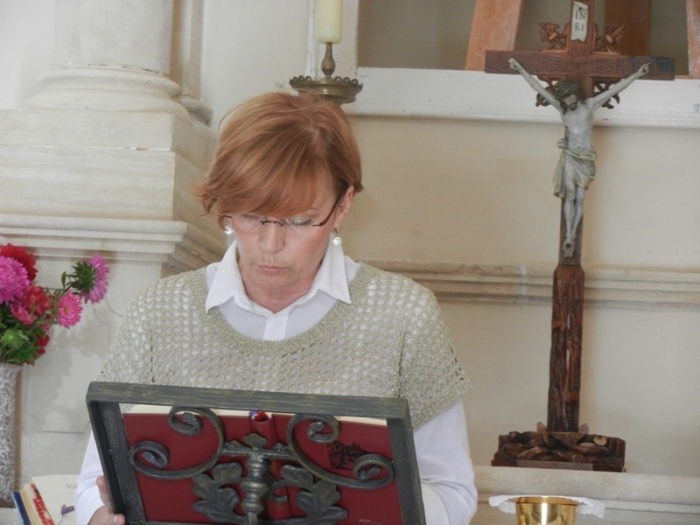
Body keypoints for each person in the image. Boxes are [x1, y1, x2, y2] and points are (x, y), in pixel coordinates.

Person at [75, 92, 477, 525]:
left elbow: (450, 490)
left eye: (299, 221)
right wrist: (101, 517)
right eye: (250, 216)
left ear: (343, 205)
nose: (270, 244)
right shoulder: (159, 312)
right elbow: (94, 484)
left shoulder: (403, 316)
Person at [508, 58, 650, 257]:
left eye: (569, 97)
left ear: (575, 93)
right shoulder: (561, 109)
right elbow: (537, 87)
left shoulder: (589, 106)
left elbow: (616, 89)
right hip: (570, 155)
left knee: (581, 198)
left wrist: (637, 74)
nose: (567, 101)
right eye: (564, 99)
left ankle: (572, 233)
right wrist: (520, 69)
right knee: (570, 196)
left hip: (585, 157)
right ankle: (569, 236)